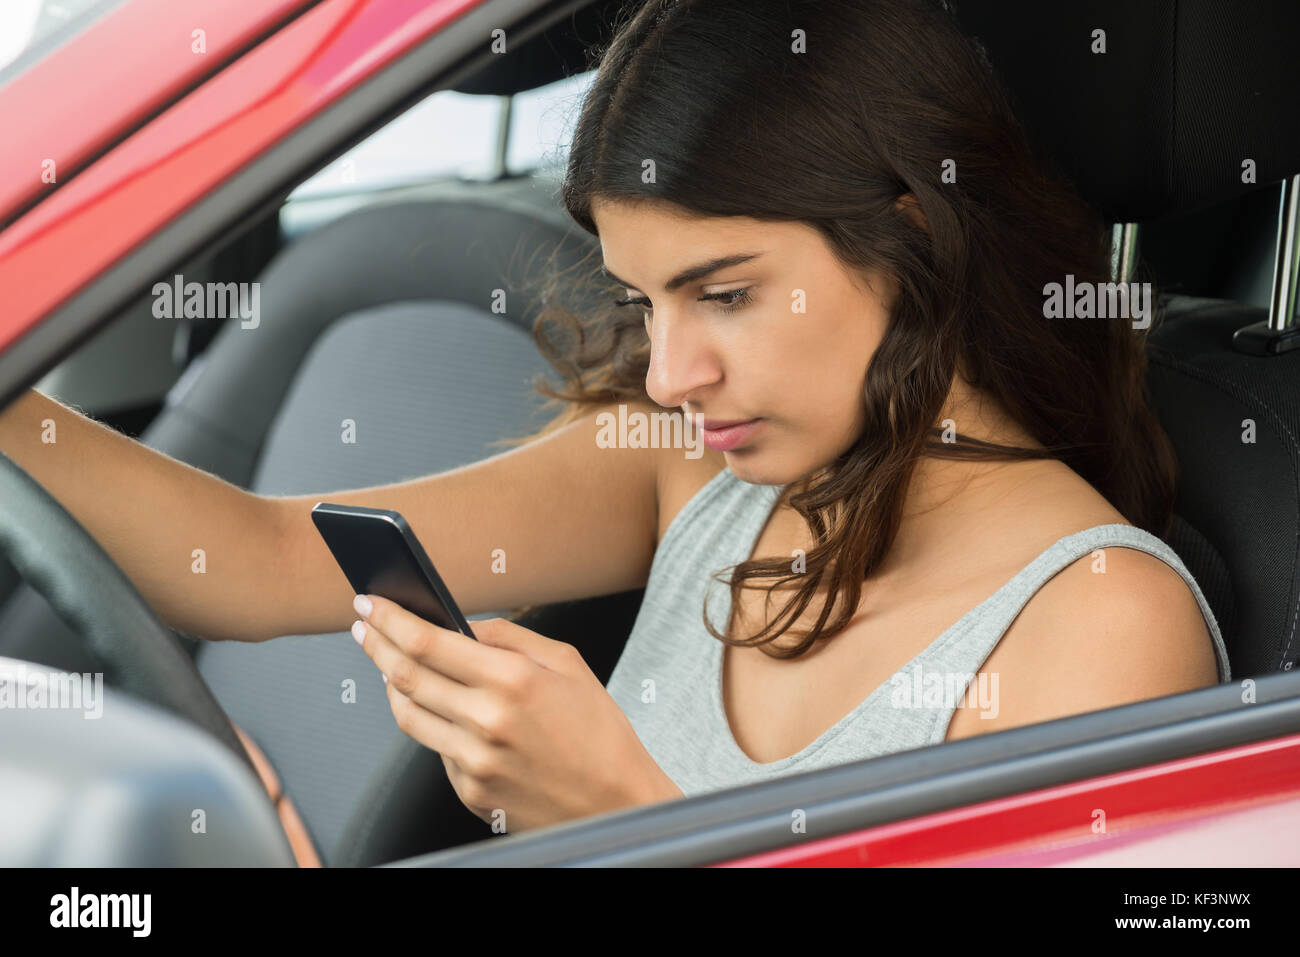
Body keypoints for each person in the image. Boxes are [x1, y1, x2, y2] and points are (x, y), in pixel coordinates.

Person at [0, 0, 1229, 832]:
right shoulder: (701, 479)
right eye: (647, 302)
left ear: (911, 236)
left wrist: (619, 816)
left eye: (728, 294)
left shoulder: (1099, 627)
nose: (667, 376)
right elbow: (254, 562)